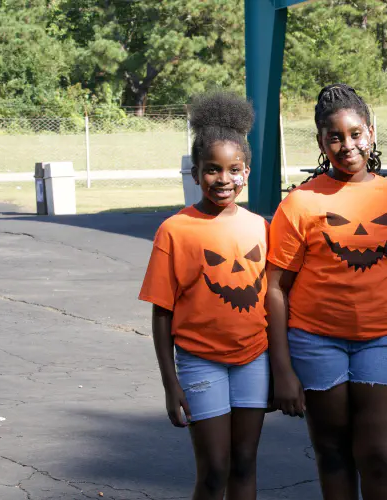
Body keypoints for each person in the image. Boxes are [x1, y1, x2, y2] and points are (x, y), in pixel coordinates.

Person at [266, 83, 387, 500]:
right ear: (320, 141)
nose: (346, 145)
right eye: (334, 137)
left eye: (355, 134)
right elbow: (275, 287)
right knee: (333, 454)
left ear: (370, 133)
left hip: (386, 341)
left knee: (383, 456)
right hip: (316, 344)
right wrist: (282, 369)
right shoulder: (299, 203)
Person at [138, 92, 270, 500]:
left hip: (254, 359)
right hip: (199, 363)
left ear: (246, 172)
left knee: (245, 466)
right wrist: (169, 382)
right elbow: (162, 314)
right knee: (214, 470)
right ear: (195, 173)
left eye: (234, 169)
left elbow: (276, 299)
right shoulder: (175, 231)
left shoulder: (261, 228)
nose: (224, 179)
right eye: (212, 170)